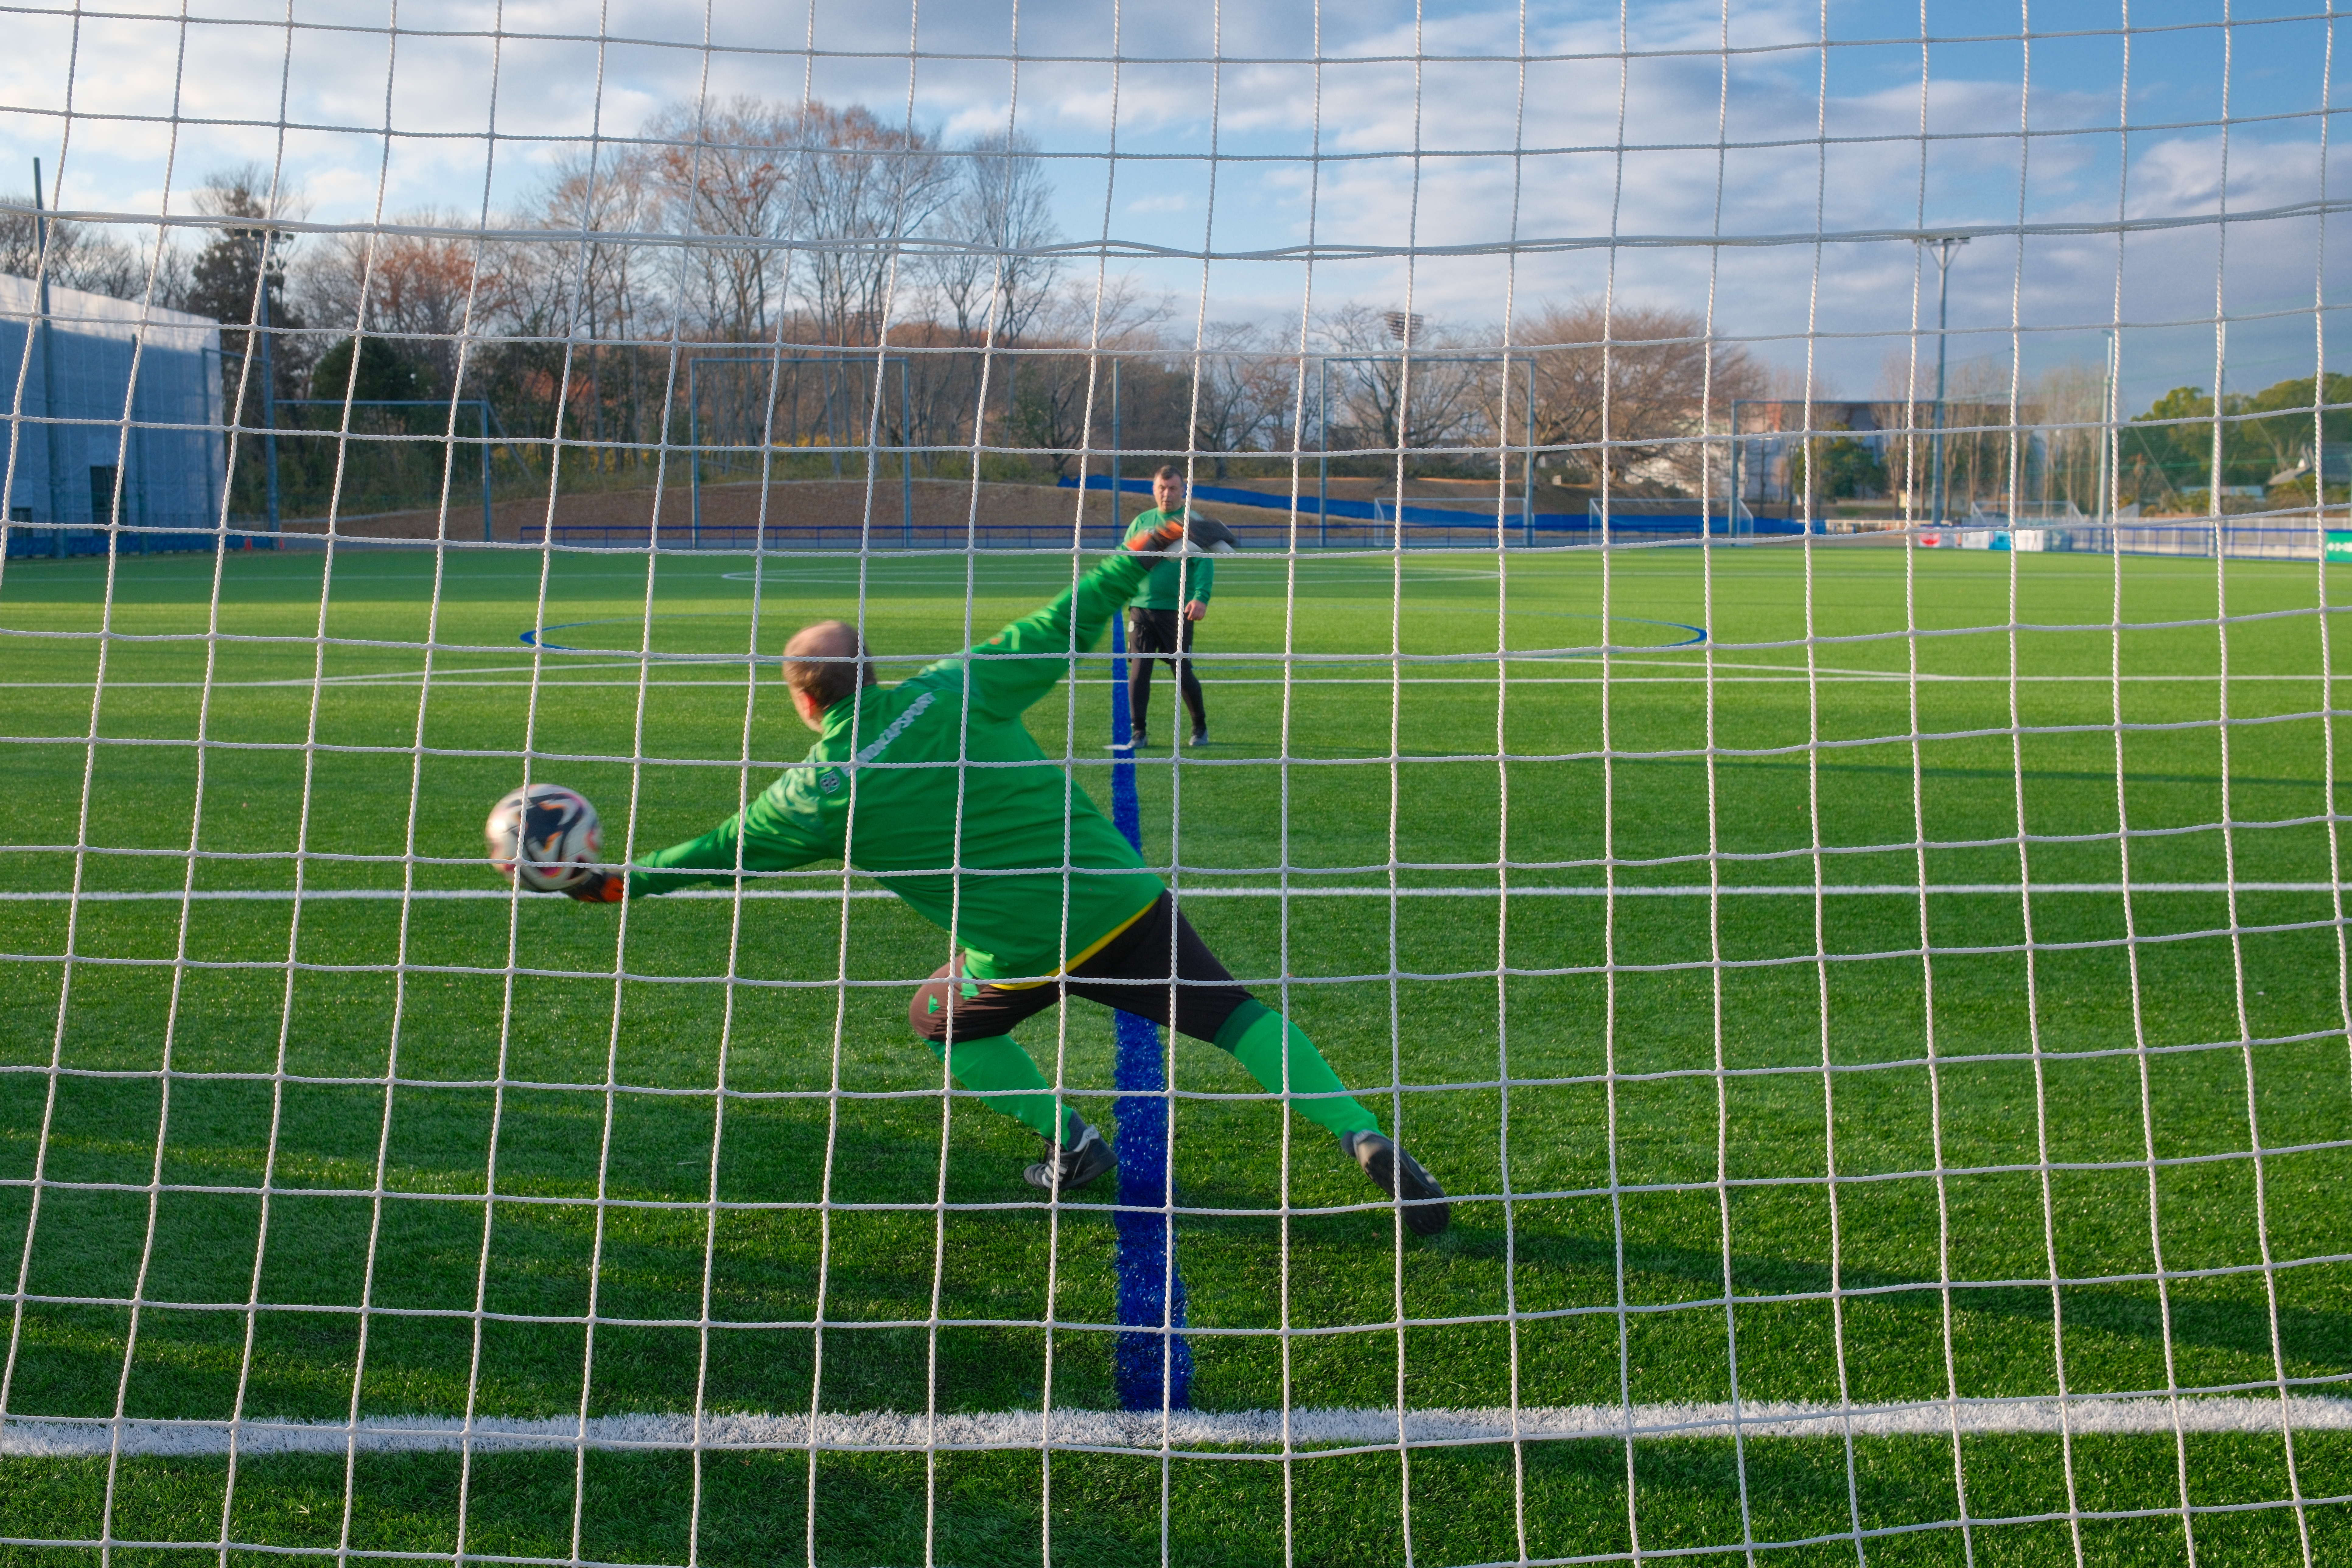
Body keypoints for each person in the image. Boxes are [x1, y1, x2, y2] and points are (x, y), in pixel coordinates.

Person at [563, 516, 1449, 1236]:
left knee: (937, 1018)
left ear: (803, 700)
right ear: (870, 670)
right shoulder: (953, 687)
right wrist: (1130, 557)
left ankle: (1073, 1143)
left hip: (1022, 951)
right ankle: (1355, 1129)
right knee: (1238, 1017)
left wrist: (613, 884)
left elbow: (716, 854)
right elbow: (1062, 621)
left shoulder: (815, 795)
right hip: (1118, 900)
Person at [1121, 464, 1218, 748]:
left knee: (1182, 671)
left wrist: (1201, 597)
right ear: (1154, 490)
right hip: (1140, 608)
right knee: (1139, 669)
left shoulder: (1191, 523)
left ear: (1182, 490)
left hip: (1176, 612)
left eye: (1173, 488)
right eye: (1162, 489)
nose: (1167, 494)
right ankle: (1139, 732)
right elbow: (1126, 559)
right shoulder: (1142, 523)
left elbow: (1204, 564)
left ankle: (1200, 727)